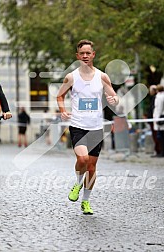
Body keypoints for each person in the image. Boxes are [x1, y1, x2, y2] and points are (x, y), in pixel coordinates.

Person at [57, 39, 119, 215]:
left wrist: (115, 99)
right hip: (77, 125)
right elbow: (59, 96)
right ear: (77, 56)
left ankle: (85, 202)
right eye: (82, 53)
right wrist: (63, 111)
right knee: (82, 160)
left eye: (88, 53)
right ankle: (77, 184)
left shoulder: (102, 77)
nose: (85, 56)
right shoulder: (71, 77)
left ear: (93, 55)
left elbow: (114, 96)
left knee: (91, 168)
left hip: (96, 127)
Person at [147, 85, 161, 157]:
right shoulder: (154, 98)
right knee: (156, 135)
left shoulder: (156, 98)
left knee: (157, 136)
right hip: (153, 119)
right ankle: (158, 150)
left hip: (155, 120)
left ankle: (159, 150)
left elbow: (155, 109)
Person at [153, 84, 164, 157]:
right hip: (161, 117)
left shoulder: (159, 97)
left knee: (161, 137)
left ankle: (162, 152)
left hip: (160, 118)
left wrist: (157, 118)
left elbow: (159, 108)